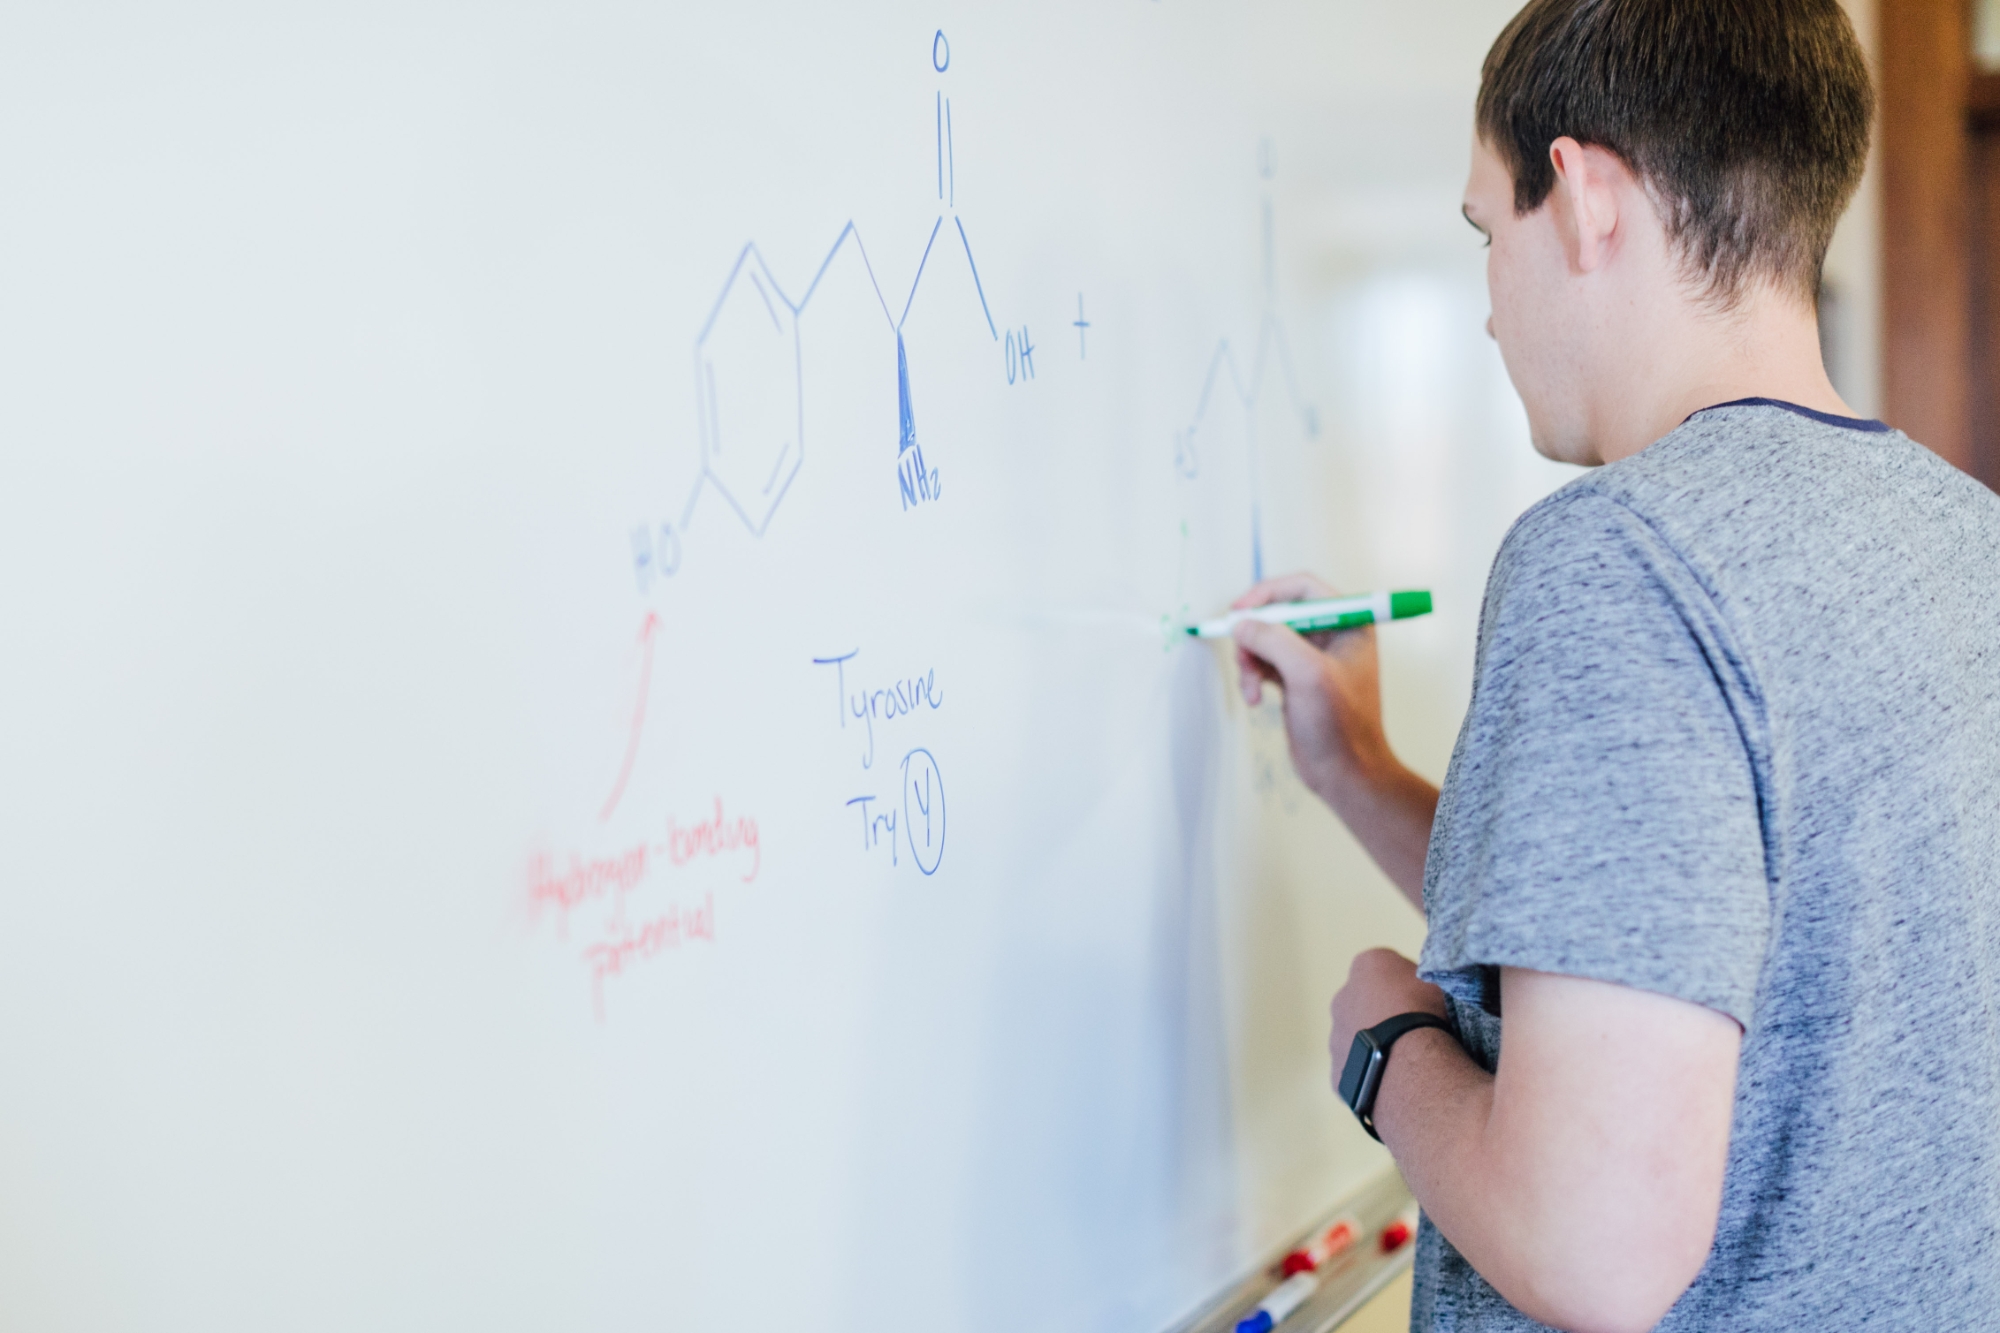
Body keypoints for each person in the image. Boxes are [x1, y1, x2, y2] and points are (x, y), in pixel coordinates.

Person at [1229, 2, 2000, 1329]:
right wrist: (1355, 768)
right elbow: (1682, 947)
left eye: (1486, 232)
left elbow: (1594, 1249)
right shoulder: (1962, 534)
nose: (1487, 311)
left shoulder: (1619, 559)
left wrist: (1387, 1050)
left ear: (1585, 199)